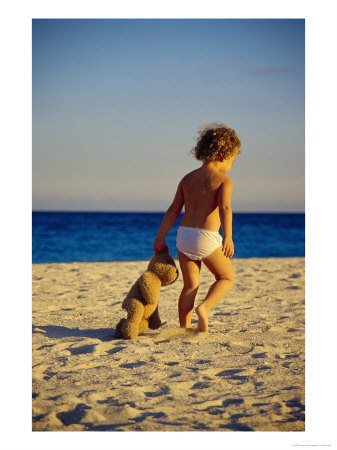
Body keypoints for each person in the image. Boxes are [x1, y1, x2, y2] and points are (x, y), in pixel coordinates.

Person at [153, 123, 241, 332]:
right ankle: (205, 308)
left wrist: (160, 236)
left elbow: (174, 210)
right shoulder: (224, 181)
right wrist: (228, 236)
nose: (231, 166)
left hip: (184, 236)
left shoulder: (187, 178)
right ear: (222, 155)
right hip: (207, 238)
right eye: (232, 161)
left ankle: (185, 327)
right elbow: (225, 208)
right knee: (226, 277)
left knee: (190, 285)